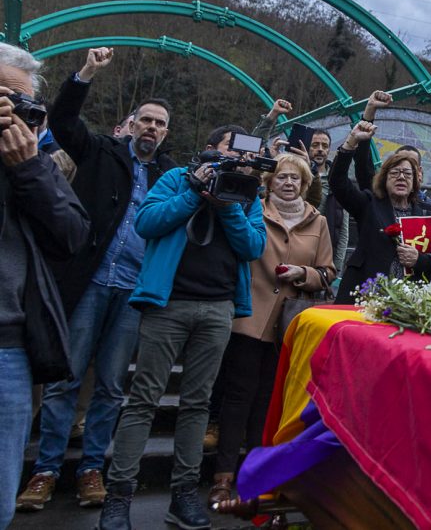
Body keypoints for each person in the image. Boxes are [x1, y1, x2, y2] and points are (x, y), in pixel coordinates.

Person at [18, 47, 177, 512]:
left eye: (159, 124)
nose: (151, 128)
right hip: (89, 281)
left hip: (132, 291)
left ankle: (91, 468)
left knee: (109, 385)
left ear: (166, 133)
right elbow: (65, 120)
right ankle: (46, 470)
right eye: (145, 120)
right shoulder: (101, 151)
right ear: (132, 123)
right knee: (66, 379)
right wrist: (86, 73)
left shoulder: (170, 175)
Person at [96, 124, 267, 530]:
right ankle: (118, 498)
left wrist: (227, 206)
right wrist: (194, 192)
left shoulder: (248, 193)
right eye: (231, 149)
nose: (240, 159)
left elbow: (253, 247)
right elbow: (146, 222)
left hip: (218, 308)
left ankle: (184, 494)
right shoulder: (176, 178)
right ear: (209, 150)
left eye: (246, 153)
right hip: (167, 304)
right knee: (142, 401)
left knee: (197, 403)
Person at [208, 153, 335, 506]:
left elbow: (328, 271)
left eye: (296, 178)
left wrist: (303, 274)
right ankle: (223, 476)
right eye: (282, 176)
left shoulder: (319, 221)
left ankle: (256, 476)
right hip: (249, 316)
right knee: (238, 397)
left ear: (305, 184)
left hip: (290, 325)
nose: (289, 183)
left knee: (269, 400)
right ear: (269, 181)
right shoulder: (254, 210)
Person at [0, 43, 89, 529]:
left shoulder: (33, 162)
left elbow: (72, 235)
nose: (15, 115)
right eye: (5, 99)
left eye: (25, 105)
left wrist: (28, 167)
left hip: (9, 347)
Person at [330, 121, 431, 303]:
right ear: (384, 179)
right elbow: (338, 182)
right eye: (395, 173)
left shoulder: (429, 215)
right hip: (365, 296)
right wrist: (351, 143)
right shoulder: (368, 204)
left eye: (407, 174)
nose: (401, 177)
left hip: (408, 303)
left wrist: (419, 260)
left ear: (415, 182)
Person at [308, 127, 349, 278]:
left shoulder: (337, 180)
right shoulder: (295, 176)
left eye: (324, 146)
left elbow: (343, 229)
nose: (320, 149)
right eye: (315, 145)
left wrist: (336, 267)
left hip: (323, 254)